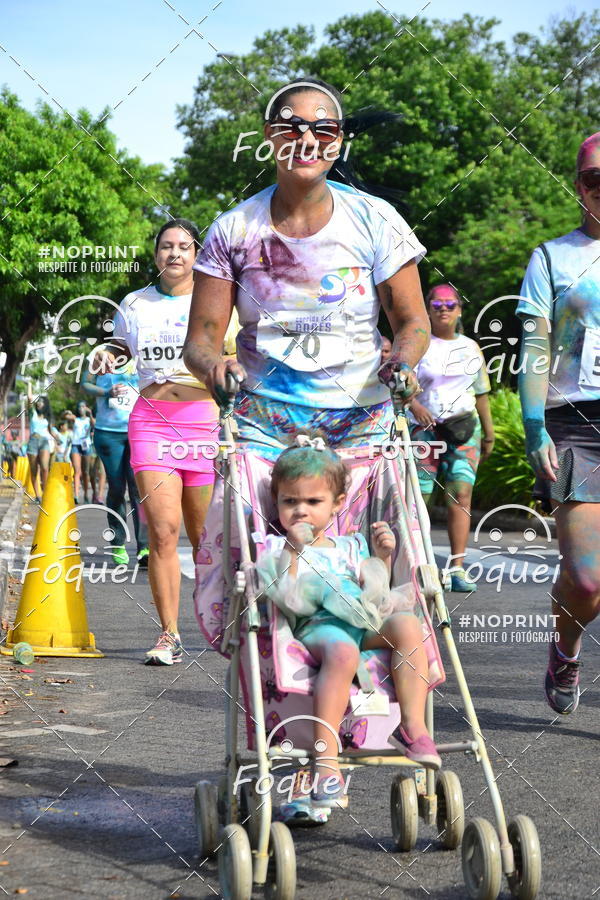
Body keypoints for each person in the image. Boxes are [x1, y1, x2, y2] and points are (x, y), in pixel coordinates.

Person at [183, 76, 429, 453]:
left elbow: (413, 323)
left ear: (339, 140)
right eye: (291, 128)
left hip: (361, 426)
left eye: (324, 129)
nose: (307, 140)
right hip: (261, 429)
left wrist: (401, 362)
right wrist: (213, 368)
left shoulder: (377, 220)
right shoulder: (232, 229)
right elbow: (200, 343)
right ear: (269, 135)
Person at [256, 434, 440, 810]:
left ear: (338, 504)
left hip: (361, 618)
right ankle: (326, 759)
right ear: (277, 503)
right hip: (317, 625)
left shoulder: (351, 545)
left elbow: (374, 591)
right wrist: (293, 549)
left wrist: (384, 556)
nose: (301, 511)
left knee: (408, 625)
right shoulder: (278, 547)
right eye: (290, 502)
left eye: (313, 502)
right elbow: (287, 596)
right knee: (342, 651)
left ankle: (412, 725)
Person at [95, 218, 223, 665]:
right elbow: (121, 348)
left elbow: (237, 351)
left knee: (203, 537)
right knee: (163, 532)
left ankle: (220, 621)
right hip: (151, 421)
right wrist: (106, 354)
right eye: (167, 246)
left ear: (197, 255)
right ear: (155, 255)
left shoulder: (216, 298)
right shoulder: (135, 303)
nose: (175, 253)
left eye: (184, 246)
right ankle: (169, 634)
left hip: (203, 421)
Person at [517, 131, 600, 715]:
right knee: (588, 579)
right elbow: (534, 346)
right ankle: (565, 649)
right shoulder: (552, 258)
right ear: (579, 186)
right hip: (574, 422)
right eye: (596, 179)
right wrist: (533, 425)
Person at [408, 285, 494, 592]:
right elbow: (400, 384)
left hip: (464, 429)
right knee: (419, 497)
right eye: (436, 305)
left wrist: (489, 434)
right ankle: (419, 565)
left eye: (450, 304)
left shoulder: (470, 348)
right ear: (428, 309)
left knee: (461, 495)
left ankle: (457, 568)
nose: (443, 309)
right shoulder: (418, 344)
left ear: (459, 310)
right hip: (424, 431)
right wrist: (415, 405)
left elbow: (481, 392)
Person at [82, 360, 148, 567]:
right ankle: (118, 543)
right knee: (117, 488)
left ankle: (145, 546)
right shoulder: (100, 356)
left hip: (139, 430)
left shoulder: (139, 354)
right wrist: (106, 392)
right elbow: (85, 384)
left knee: (138, 488)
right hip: (109, 433)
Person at [25, 381, 53, 502]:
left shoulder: (47, 417)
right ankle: (38, 495)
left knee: (45, 468)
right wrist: (29, 384)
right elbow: (29, 398)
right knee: (34, 470)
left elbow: (50, 431)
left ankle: (45, 491)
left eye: (41, 402)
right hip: (33, 441)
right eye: (38, 402)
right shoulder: (33, 414)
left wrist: (57, 440)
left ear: (45, 404)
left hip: (44, 442)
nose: (39, 403)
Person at [65, 401, 94, 502]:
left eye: (83, 406)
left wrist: (90, 414)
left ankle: (86, 494)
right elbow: (65, 417)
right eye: (79, 407)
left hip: (86, 445)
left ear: (86, 408)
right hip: (76, 445)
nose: (81, 409)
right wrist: (67, 412)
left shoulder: (89, 419)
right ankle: (76, 495)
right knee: (77, 471)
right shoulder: (75, 419)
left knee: (86, 472)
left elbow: (94, 424)